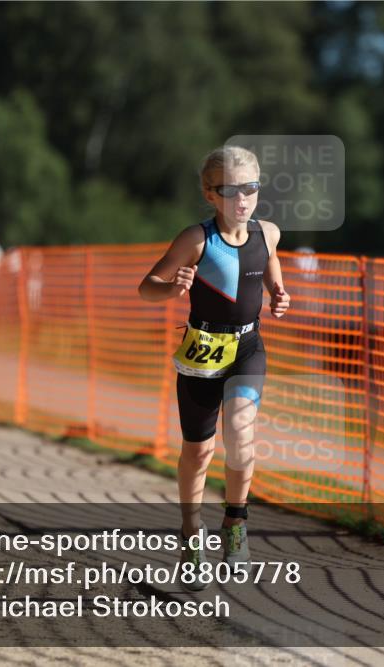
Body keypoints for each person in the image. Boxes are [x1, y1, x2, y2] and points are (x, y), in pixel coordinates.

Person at [138, 146, 290, 589]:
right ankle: (190, 535)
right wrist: (171, 291)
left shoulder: (269, 233)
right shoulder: (196, 239)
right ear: (210, 193)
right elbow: (147, 286)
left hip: (247, 345)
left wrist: (279, 292)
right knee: (199, 452)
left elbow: (270, 264)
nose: (241, 199)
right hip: (202, 351)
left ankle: (236, 522)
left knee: (241, 432)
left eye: (250, 188)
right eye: (229, 190)